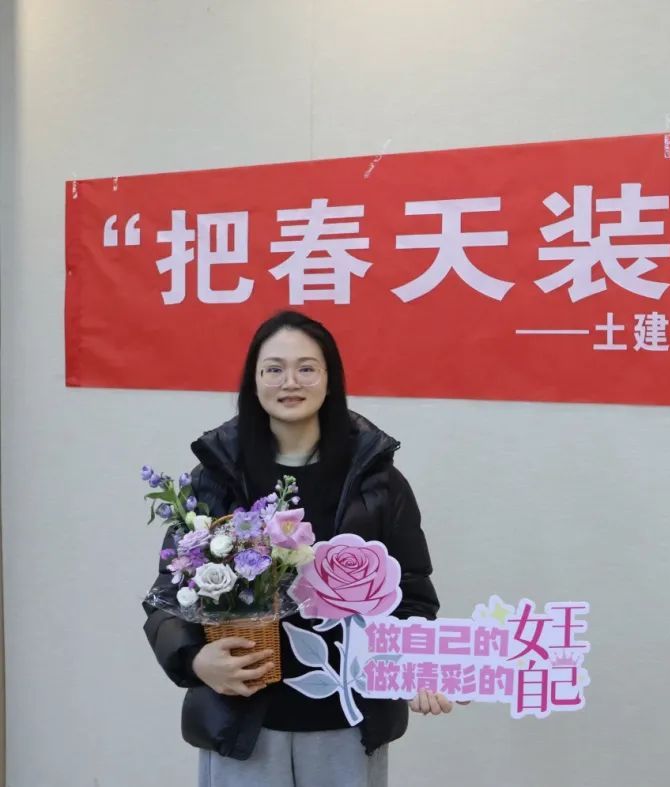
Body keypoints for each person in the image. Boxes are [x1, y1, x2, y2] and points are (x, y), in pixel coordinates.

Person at [143, 310, 458, 786]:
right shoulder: (215, 477)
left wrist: (420, 666)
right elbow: (168, 595)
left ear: (330, 380)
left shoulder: (378, 482)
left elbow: (412, 594)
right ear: (254, 381)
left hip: (348, 723)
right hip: (241, 725)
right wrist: (194, 660)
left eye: (306, 368)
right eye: (274, 369)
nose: (290, 382)